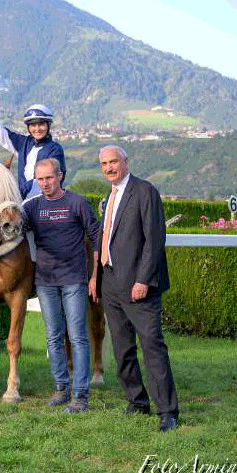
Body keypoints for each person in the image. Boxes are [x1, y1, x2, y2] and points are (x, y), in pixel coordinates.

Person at [93, 145, 179, 432]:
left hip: (138, 285)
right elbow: (105, 238)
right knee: (122, 348)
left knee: (152, 346)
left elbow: (154, 241)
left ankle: (167, 410)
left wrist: (143, 280)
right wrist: (97, 277)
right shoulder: (111, 194)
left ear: (126, 162)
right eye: (104, 163)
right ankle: (137, 401)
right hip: (111, 284)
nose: (109, 167)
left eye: (113, 161)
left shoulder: (145, 191)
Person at [21, 158, 100, 413]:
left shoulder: (77, 203)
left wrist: (95, 275)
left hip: (74, 280)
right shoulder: (32, 208)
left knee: (77, 337)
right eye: (40, 179)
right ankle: (60, 389)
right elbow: (10, 232)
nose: (45, 183)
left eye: (49, 178)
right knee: (53, 337)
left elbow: (96, 237)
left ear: (60, 176)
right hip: (45, 282)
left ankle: (81, 395)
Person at [0, 104, 67, 200]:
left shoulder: (55, 150)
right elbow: (1, 133)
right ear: (28, 127)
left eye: (41, 124)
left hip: (46, 203)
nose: (37, 129)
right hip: (24, 203)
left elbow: (46, 180)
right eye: (33, 125)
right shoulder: (24, 143)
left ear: (48, 125)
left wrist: (15, 193)